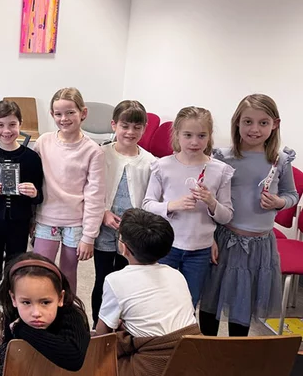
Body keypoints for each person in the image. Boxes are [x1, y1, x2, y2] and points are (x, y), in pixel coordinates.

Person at [201, 94, 297, 337]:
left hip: (259, 246)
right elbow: (208, 201)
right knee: (211, 302)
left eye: (263, 123)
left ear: (275, 124)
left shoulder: (280, 160)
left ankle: (237, 354)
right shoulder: (222, 157)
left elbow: (292, 195)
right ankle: (206, 350)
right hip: (224, 240)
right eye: (248, 122)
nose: (254, 129)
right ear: (237, 122)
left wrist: (279, 202)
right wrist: (209, 238)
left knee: (243, 306)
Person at [143, 106, 233, 307]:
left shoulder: (220, 170)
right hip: (167, 245)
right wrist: (172, 205)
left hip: (200, 250)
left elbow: (226, 216)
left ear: (209, 136)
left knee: (188, 303)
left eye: (202, 136)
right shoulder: (162, 166)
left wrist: (211, 202)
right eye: (188, 135)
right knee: (161, 301)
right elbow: (147, 205)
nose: (194, 142)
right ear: (177, 134)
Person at [96, 209, 200, 376]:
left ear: (124, 248)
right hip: (194, 357)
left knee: (101, 360)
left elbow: (103, 334)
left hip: (155, 365)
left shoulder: (115, 280)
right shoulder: (176, 275)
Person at [0, 253, 90, 376]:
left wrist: (21, 329)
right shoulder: (14, 313)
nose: (36, 313)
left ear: (60, 298)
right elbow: (10, 353)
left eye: (45, 302)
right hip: (28, 367)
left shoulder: (72, 316)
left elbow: (74, 359)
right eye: (26, 302)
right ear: (13, 299)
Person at [0, 100, 44, 348]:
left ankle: (13, 317)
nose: (6, 131)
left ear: (20, 125)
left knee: (16, 270)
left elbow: (40, 195)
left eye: (12, 124)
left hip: (19, 222)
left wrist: (33, 193)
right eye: (0, 125)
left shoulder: (31, 158)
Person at [32, 87, 105, 293]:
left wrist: (89, 236)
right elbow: (35, 182)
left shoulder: (93, 151)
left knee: (68, 273)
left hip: (75, 223)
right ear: (52, 114)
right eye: (58, 114)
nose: (64, 119)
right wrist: (31, 218)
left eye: (70, 112)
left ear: (83, 113)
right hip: (46, 219)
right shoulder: (43, 142)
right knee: (40, 271)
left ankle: (67, 311)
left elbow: (95, 196)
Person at [91, 100, 155, 327]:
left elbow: (150, 198)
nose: (130, 132)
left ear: (144, 128)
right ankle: (98, 326)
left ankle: (120, 326)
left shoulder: (150, 162)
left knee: (126, 280)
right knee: (103, 278)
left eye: (137, 127)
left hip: (132, 233)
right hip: (104, 227)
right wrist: (103, 213)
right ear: (114, 125)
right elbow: (92, 189)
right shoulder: (100, 154)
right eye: (125, 126)